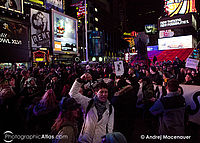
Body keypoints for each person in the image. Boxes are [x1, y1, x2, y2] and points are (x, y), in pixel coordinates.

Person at [69, 73, 114, 143]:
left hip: (100, 141)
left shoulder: (110, 108)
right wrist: (80, 80)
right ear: (96, 93)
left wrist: (108, 139)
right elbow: (73, 94)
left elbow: (110, 127)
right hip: (85, 140)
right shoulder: (88, 103)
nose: (104, 94)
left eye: (106, 92)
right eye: (101, 92)